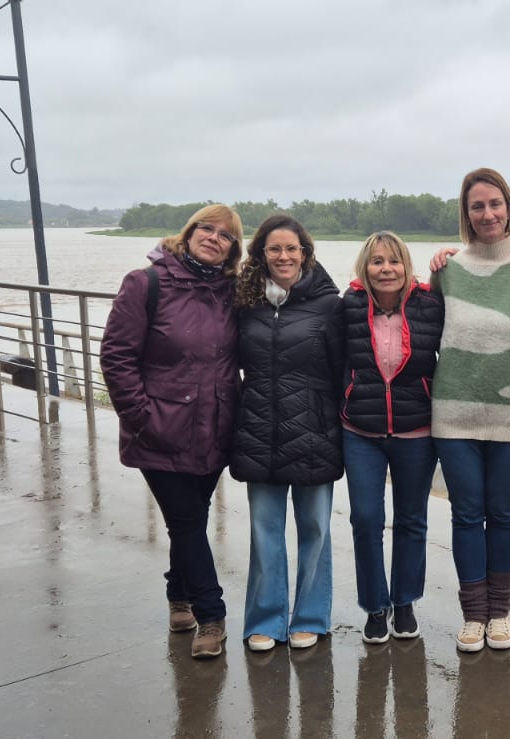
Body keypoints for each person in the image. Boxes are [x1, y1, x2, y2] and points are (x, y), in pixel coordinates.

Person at [99, 205, 245, 659]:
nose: (214, 238)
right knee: (185, 520)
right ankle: (211, 614)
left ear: (233, 250)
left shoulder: (231, 292)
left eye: (225, 235)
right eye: (207, 228)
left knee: (191, 520)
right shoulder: (147, 283)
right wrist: (142, 417)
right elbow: (116, 357)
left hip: (214, 429)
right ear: (189, 232)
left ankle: (177, 594)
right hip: (160, 429)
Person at [430, 168, 510, 653]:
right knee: (466, 514)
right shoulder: (447, 268)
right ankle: (473, 616)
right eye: (477, 206)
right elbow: (424, 330)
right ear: (466, 213)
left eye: (495, 204)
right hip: (453, 414)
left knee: (502, 512)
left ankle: (499, 614)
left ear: (509, 207)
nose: (487, 214)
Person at [230, 214, 344, 652]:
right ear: (261, 253)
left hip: (315, 428)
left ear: (305, 253)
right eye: (274, 249)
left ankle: (311, 617)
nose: (283, 256)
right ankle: (265, 619)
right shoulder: (245, 302)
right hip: (259, 426)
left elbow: (341, 370)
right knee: (264, 529)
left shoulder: (329, 305)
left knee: (315, 526)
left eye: (291, 249)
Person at [340, 231, 445, 644]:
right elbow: (332, 360)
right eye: (377, 261)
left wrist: (450, 258)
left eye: (394, 261)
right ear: (364, 267)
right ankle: (374, 606)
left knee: (411, 520)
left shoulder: (429, 305)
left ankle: (404, 603)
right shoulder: (346, 307)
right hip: (360, 431)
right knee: (366, 520)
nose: (386, 269)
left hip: (416, 430)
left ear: (407, 266)